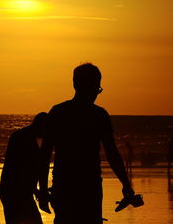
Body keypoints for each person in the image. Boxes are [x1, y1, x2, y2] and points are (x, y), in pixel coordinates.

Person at [38, 63, 134, 224]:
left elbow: (44, 155)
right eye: (96, 88)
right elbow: (112, 153)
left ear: (75, 84)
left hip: (64, 185)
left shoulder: (58, 112)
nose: (96, 93)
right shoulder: (99, 115)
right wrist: (126, 184)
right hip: (90, 187)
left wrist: (42, 189)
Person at [0, 112, 47, 224]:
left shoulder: (25, 136)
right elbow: (22, 170)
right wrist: (37, 191)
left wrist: (35, 190)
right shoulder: (24, 138)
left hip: (16, 190)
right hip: (13, 191)